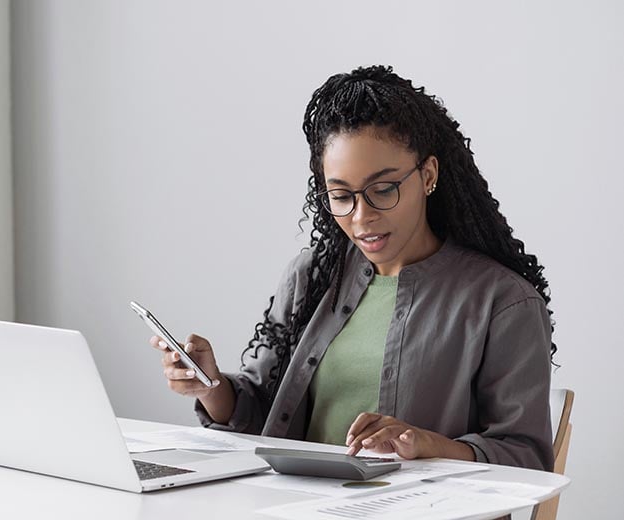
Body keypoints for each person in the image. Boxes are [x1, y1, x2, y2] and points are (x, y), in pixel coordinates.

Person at [149, 65, 555, 471]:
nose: (361, 217)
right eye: (341, 196)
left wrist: (426, 444)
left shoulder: (503, 303)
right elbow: (266, 414)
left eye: (383, 189)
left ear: (428, 175)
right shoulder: (313, 276)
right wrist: (211, 385)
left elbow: (527, 456)